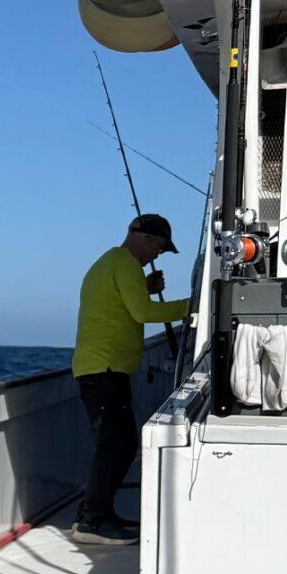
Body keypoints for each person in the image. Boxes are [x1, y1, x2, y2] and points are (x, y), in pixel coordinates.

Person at [70, 214, 189, 547]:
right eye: (160, 249)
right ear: (147, 239)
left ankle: (97, 514)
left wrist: (146, 288)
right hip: (104, 369)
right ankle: (92, 520)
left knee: (118, 443)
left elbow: (125, 305)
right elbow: (143, 313)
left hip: (104, 368)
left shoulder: (115, 263)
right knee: (115, 444)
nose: (157, 257)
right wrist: (197, 306)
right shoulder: (124, 264)